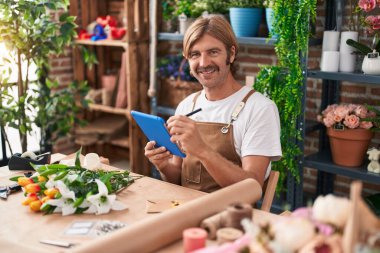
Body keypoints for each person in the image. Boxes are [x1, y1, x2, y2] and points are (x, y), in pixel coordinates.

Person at [144, 15, 282, 193]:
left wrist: (201, 149)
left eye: (213, 52)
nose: (203, 63)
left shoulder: (259, 108)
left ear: (231, 54)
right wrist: (163, 165)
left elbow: (252, 188)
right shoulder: (187, 106)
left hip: (231, 216)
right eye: (195, 54)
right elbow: (178, 179)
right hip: (186, 210)